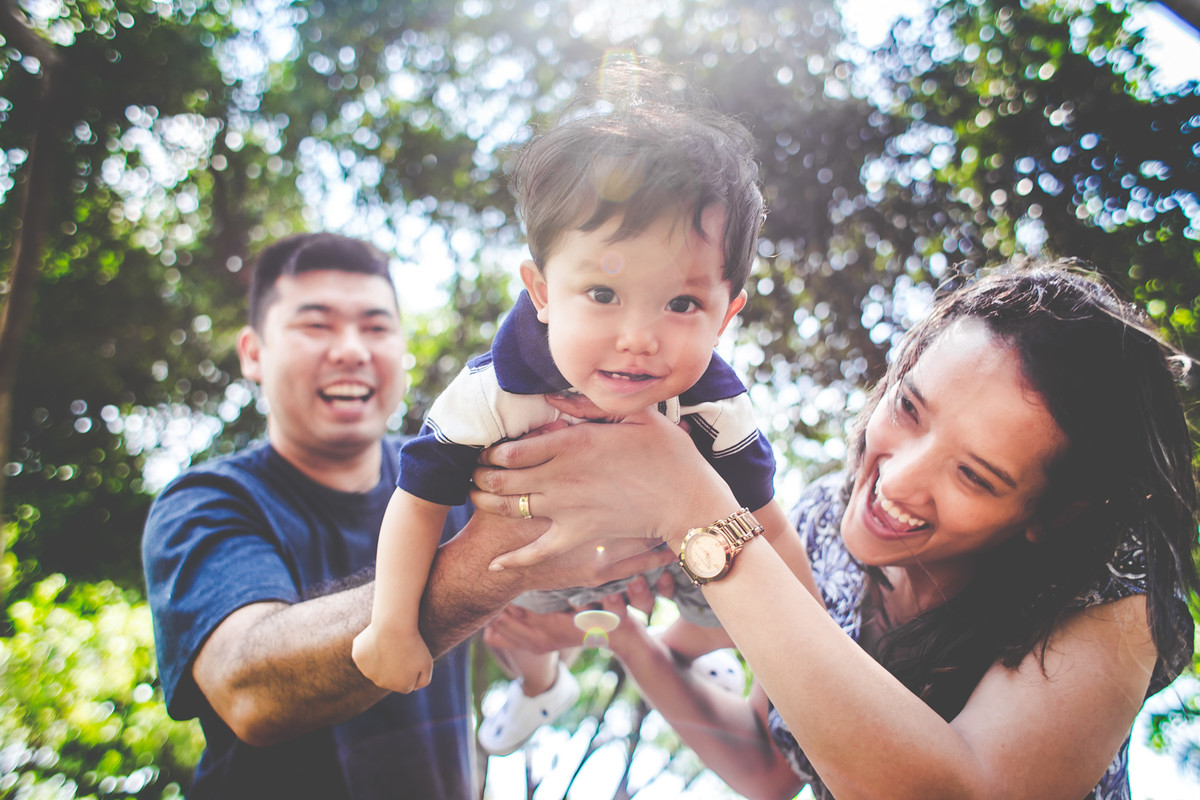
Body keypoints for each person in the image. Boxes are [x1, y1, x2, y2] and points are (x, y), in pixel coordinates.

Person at [472, 260, 1200, 799]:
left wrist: (696, 506)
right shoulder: (822, 522)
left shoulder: (1107, 582)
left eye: (975, 476)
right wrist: (623, 635)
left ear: (1049, 517)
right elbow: (764, 767)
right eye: (909, 409)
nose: (898, 480)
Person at [350, 58, 807, 758]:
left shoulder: (715, 406)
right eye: (602, 294)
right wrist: (390, 624)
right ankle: (541, 686)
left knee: (727, 576)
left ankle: (689, 648)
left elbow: (769, 530)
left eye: (682, 303)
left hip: (659, 563)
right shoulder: (492, 393)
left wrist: (814, 649)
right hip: (533, 567)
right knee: (504, 621)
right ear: (540, 289)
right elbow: (417, 502)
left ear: (727, 315)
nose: (638, 339)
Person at [141, 232, 669, 800]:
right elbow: (246, 689)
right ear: (252, 352)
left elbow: (539, 628)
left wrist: (587, 594)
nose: (351, 350)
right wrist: (499, 563)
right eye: (315, 326)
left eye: (375, 327)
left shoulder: (472, 471)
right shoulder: (207, 501)